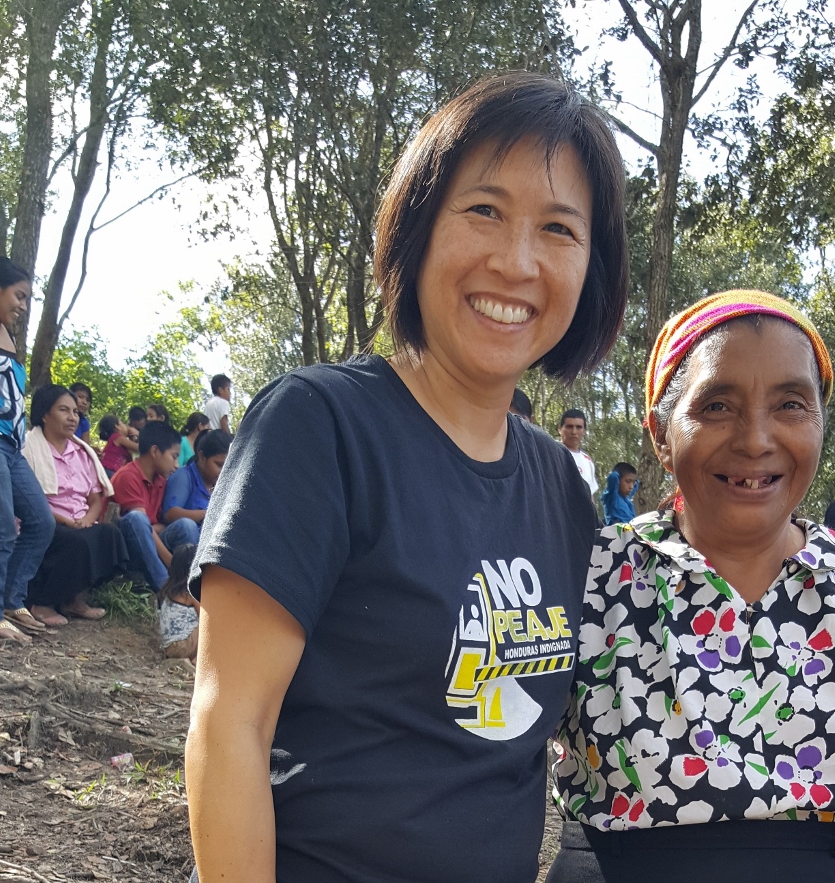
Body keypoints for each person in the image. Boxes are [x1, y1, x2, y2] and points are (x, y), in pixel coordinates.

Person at [185, 73, 630, 883]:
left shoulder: (562, 485)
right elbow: (230, 722)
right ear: (420, 226)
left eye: (560, 228)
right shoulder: (319, 426)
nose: (517, 260)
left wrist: (818, 558)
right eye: (485, 210)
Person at [550, 291, 835, 883]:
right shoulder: (588, 577)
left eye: (791, 405)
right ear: (660, 435)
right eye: (717, 405)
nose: (755, 439)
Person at [0, 256, 55, 643]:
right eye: (19, 295)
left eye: (28, 299)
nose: (23, 305)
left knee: (40, 522)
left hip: (11, 446)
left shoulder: (8, 336)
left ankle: (12, 600)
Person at [22, 385, 126, 626]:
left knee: (110, 535)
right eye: (63, 410)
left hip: (80, 521)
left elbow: (95, 499)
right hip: (44, 520)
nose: (72, 417)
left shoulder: (81, 452)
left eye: (75, 412)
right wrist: (69, 522)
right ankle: (42, 602)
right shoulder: (29, 448)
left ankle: (72, 600)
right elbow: (28, 499)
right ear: (45, 415)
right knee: (75, 540)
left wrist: (88, 519)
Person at [111, 420, 194, 591]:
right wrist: (171, 562)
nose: (177, 465)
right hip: (126, 550)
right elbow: (138, 526)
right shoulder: (128, 476)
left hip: (149, 541)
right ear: (155, 451)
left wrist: (150, 529)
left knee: (186, 524)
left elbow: (157, 525)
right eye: (174, 456)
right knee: (138, 519)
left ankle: (190, 583)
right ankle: (167, 589)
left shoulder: (160, 481)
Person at [162, 429, 231, 537]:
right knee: (187, 525)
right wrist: (208, 514)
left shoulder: (221, 485)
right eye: (219, 465)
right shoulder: (184, 476)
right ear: (202, 457)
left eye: (228, 467)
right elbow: (170, 514)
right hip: (181, 546)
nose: (223, 472)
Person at [158, 544, 200, 662]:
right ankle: (199, 659)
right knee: (210, 623)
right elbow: (206, 616)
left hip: (170, 648)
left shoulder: (169, 590)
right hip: (185, 645)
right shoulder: (190, 592)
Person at [559, 408, 598, 495]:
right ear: (560, 429)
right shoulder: (549, 453)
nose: (574, 432)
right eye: (569, 427)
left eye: (579, 427)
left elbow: (590, 496)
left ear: (584, 431)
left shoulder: (587, 461)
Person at [601, 461, 637, 526]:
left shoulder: (626, 498)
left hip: (630, 531)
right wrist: (617, 473)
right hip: (618, 532)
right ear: (618, 481)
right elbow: (613, 476)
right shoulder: (611, 497)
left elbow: (636, 486)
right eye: (628, 481)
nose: (631, 486)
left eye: (633, 483)